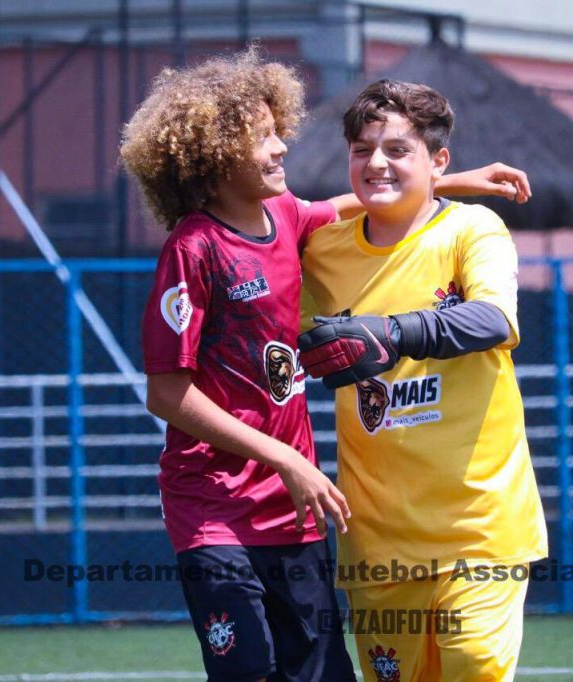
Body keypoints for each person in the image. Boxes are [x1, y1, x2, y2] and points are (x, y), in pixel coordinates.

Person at [121, 49, 531, 682]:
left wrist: (450, 181)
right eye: (262, 138)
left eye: (277, 128)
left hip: (298, 509)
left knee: (333, 672)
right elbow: (167, 393)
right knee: (251, 670)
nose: (283, 146)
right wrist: (287, 459)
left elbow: (355, 203)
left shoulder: (287, 219)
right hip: (220, 505)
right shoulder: (195, 249)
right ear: (212, 154)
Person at [298, 79, 548, 681]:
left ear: (438, 161)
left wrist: (393, 332)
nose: (376, 163)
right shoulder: (321, 253)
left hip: (480, 526)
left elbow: (494, 319)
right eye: (362, 150)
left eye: (397, 150)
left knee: (471, 666)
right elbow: (289, 330)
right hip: (377, 538)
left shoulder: (473, 230)